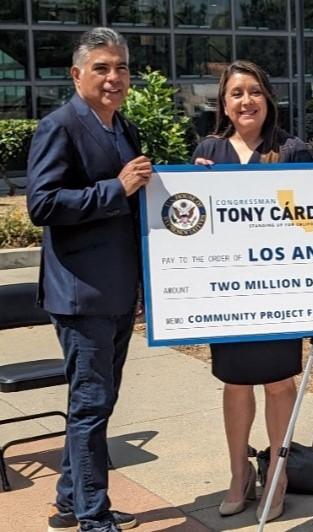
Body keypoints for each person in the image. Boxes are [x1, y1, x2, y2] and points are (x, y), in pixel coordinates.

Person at [26, 28, 149, 532]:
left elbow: (136, 195)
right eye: (102, 67)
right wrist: (112, 189)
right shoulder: (60, 126)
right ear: (77, 74)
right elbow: (43, 204)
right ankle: (94, 519)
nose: (114, 77)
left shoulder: (124, 128)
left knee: (99, 402)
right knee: (91, 407)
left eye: (120, 67)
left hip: (117, 292)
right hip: (80, 294)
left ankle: (71, 500)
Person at [192, 60, 313, 523]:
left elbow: (310, 226)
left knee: (280, 384)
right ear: (224, 103)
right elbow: (188, 224)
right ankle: (238, 473)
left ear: (269, 98)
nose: (247, 101)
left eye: (255, 92)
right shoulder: (209, 150)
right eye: (237, 93)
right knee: (236, 382)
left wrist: (288, 198)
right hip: (228, 292)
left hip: (279, 290)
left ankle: (278, 474)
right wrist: (193, 186)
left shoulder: (292, 150)